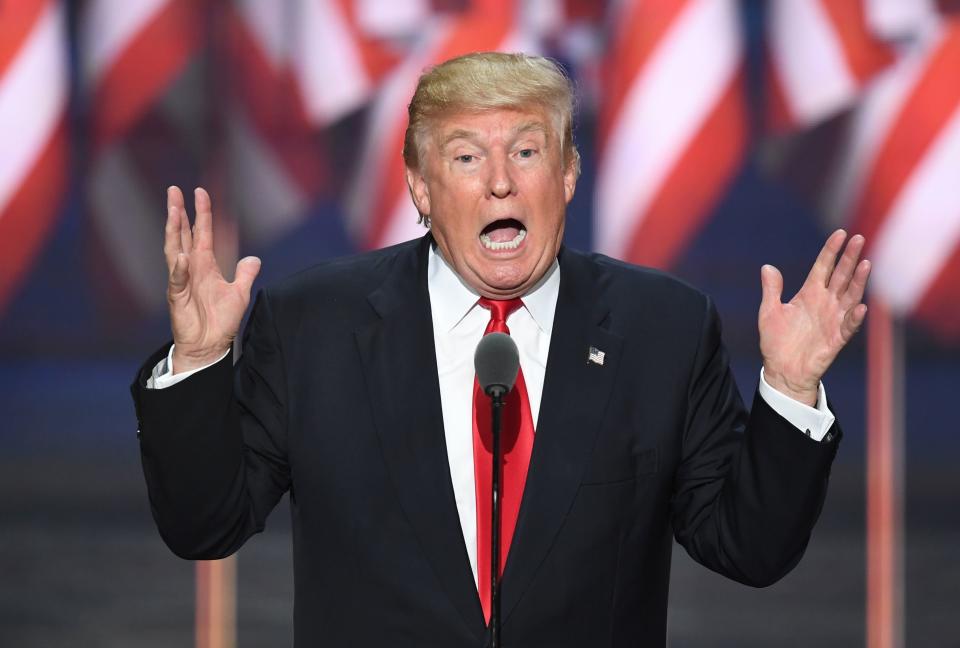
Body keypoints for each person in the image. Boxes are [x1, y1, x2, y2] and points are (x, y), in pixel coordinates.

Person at [131, 52, 871, 646]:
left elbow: (749, 548)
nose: (499, 183)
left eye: (526, 150)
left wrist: (789, 389)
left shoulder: (663, 329)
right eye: (464, 158)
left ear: (569, 174)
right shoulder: (312, 325)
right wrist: (198, 363)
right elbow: (207, 525)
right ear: (419, 186)